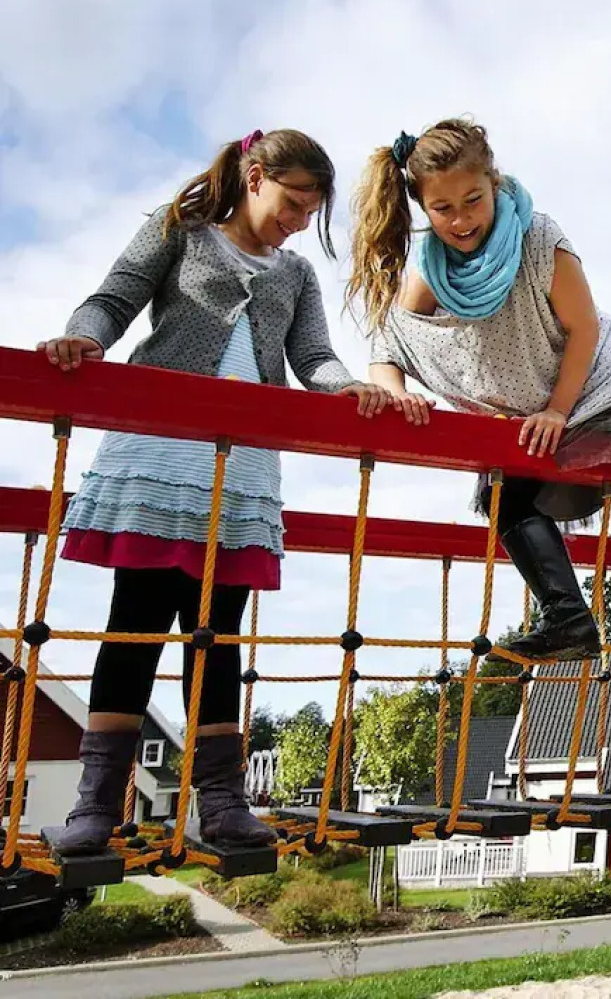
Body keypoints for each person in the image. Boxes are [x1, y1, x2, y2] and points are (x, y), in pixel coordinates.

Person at [40, 129, 389, 852]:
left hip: (242, 467)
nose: (298, 220)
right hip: (160, 452)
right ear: (254, 175)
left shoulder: (294, 276)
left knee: (217, 634)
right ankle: (96, 806)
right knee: (133, 622)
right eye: (292, 202)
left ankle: (222, 803)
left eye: (311, 210)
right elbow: (114, 298)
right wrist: (84, 338)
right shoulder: (180, 232)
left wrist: (347, 387)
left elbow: (313, 357)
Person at [347, 117, 611, 664]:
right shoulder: (430, 267)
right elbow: (389, 347)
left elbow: (584, 329)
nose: (461, 219)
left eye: (473, 200)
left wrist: (558, 408)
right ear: (424, 209)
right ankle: (568, 621)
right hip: (527, 403)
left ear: (494, 183)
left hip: (589, 371)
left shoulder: (538, 238)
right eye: (443, 208)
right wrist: (396, 390)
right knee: (507, 497)